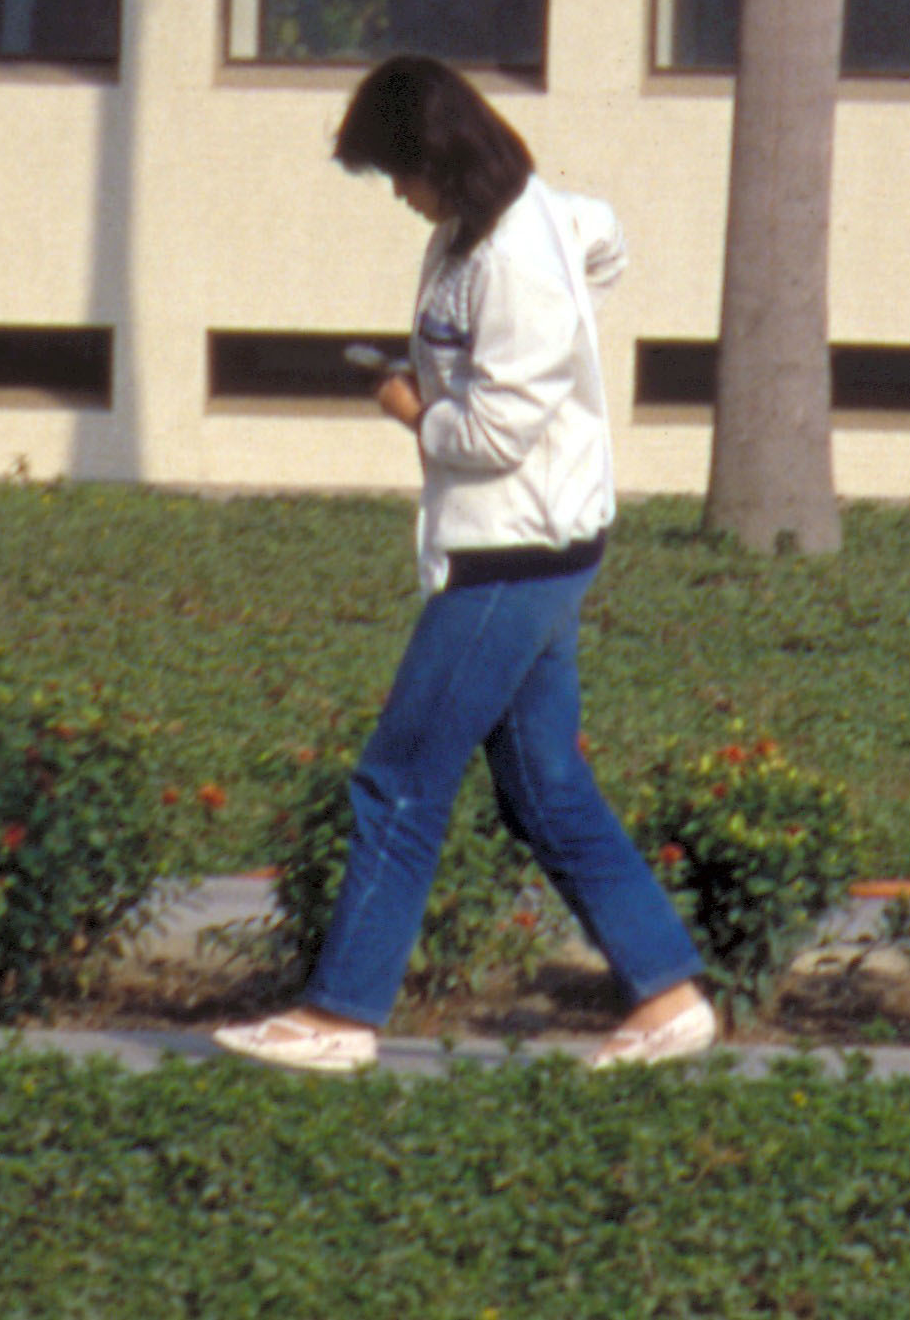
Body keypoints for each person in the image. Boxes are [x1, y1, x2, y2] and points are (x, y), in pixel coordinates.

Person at [214, 57, 716, 1076]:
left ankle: (340, 1014)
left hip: (515, 553)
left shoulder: (518, 257)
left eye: (398, 172)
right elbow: (606, 238)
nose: (397, 193)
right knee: (543, 785)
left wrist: (413, 408)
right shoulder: (498, 228)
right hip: (529, 543)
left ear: (440, 158)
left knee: (401, 776)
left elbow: (492, 435)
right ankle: (669, 995)